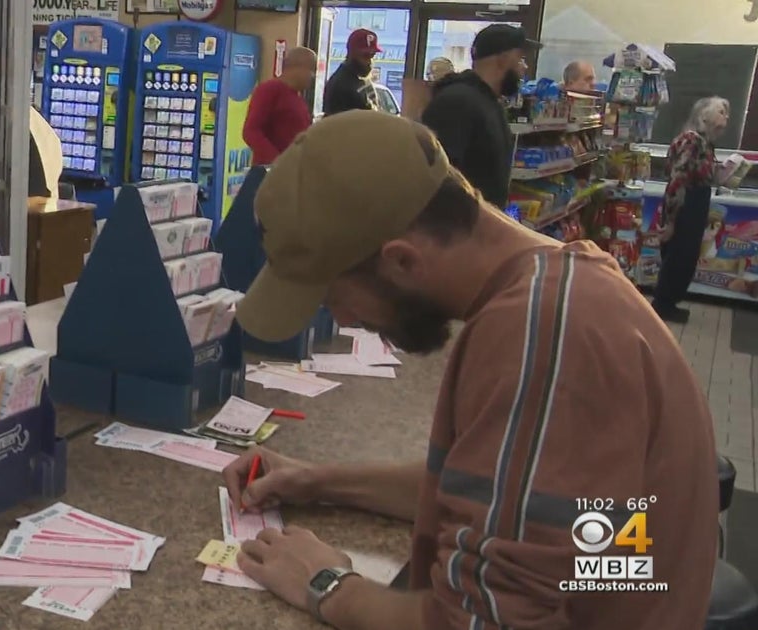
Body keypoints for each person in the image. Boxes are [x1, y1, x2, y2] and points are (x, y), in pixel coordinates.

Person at [223, 111, 716, 629]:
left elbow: (483, 624)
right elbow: (505, 502)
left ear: (402, 262)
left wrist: (326, 585)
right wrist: (317, 482)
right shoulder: (560, 283)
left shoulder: (539, 335)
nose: (344, 319)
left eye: (331, 297)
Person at [421, 24, 538, 208]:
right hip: (457, 230)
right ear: (502, 60)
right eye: (520, 59)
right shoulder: (456, 102)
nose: (524, 67)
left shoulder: (490, 103)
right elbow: (438, 176)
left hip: (480, 227)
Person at [652, 96, 730, 323]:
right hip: (684, 204)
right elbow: (678, 179)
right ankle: (662, 305)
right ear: (703, 115)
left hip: (696, 202)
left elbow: (701, 173)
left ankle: (670, 302)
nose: (726, 117)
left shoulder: (706, 143)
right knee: (678, 255)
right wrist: (671, 221)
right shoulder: (692, 140)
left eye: (726, 112)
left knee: (686, 257)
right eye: (720, 112)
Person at [243, 46, 316, 166]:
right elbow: (251, 131)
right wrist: (277, 161)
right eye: (311, 69)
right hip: (273, 171)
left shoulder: (296, 97)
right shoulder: (270, 90)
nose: (312, 76)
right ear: (297, 67)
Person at [322, 29, 380, 116]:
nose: (369, 62)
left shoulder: (362, 79)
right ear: (351, 54)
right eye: (365, 56)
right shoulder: (341, 83)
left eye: (372, 56)